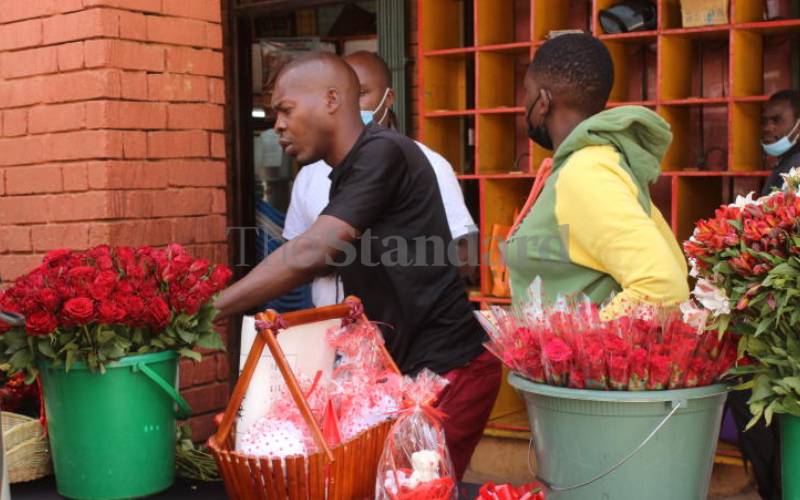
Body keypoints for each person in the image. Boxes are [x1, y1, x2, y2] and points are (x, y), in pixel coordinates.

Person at [214, 52, 501, 479]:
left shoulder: (382, 152)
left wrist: (214, 307)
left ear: (332, 100)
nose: (276, 125)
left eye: (285, 110)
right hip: (404, 375)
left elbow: (313, 251)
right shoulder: (344, 171)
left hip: (448, 372)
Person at [505, 33, 689, 316]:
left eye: (526, 92)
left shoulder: (586, 172)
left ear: (543, 101)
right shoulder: (595, 163)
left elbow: (662, 286)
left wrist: (578, 348)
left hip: (578, 362)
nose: (524, 104)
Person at [282, 50, 476, 307]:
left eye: (361, 93)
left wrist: (380, 268)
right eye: (343, 95)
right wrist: (319, 258)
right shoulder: (309, 174)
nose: (352, 104)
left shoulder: (428, 162)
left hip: (402, 336)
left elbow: (466, 255)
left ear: (388, 98)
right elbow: (292, 256)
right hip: (330, 332)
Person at [761, 90, 800, 195]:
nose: (767, 128)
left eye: (776, 120)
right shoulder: (786, 162)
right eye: (764, 121)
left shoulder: (796, 166)